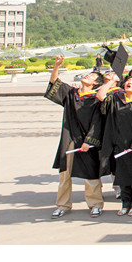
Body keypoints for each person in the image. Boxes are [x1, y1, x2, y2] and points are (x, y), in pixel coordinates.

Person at [44, 55, 114, 219]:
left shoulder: (96, 100)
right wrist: (56, 66)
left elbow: (98, 122)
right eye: (87, 74)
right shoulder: (71, 94)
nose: (86, 76)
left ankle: (95, 204)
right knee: (64, 174)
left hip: (87, 142)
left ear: (96, 84)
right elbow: (54, 84)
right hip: (69, 139)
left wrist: (90, 141)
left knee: (90, 174)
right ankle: (63, 205)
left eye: (90, 76)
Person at [96, 72, 132, 216]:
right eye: (128, 81)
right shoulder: (116, 99)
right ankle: (125, 202)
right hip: (118, 144)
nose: (129, 83)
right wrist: (111, 81)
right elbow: (100, 96)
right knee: (122, 175)